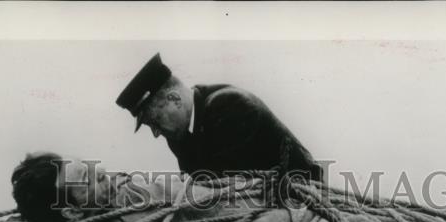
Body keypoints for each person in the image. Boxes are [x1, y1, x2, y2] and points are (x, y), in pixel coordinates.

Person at [115, 53, 323, 181]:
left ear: (174, 99)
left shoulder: (230, 106)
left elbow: (225, 190)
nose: (156, 133)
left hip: (300, 198)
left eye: (155, 121)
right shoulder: (179, 138)